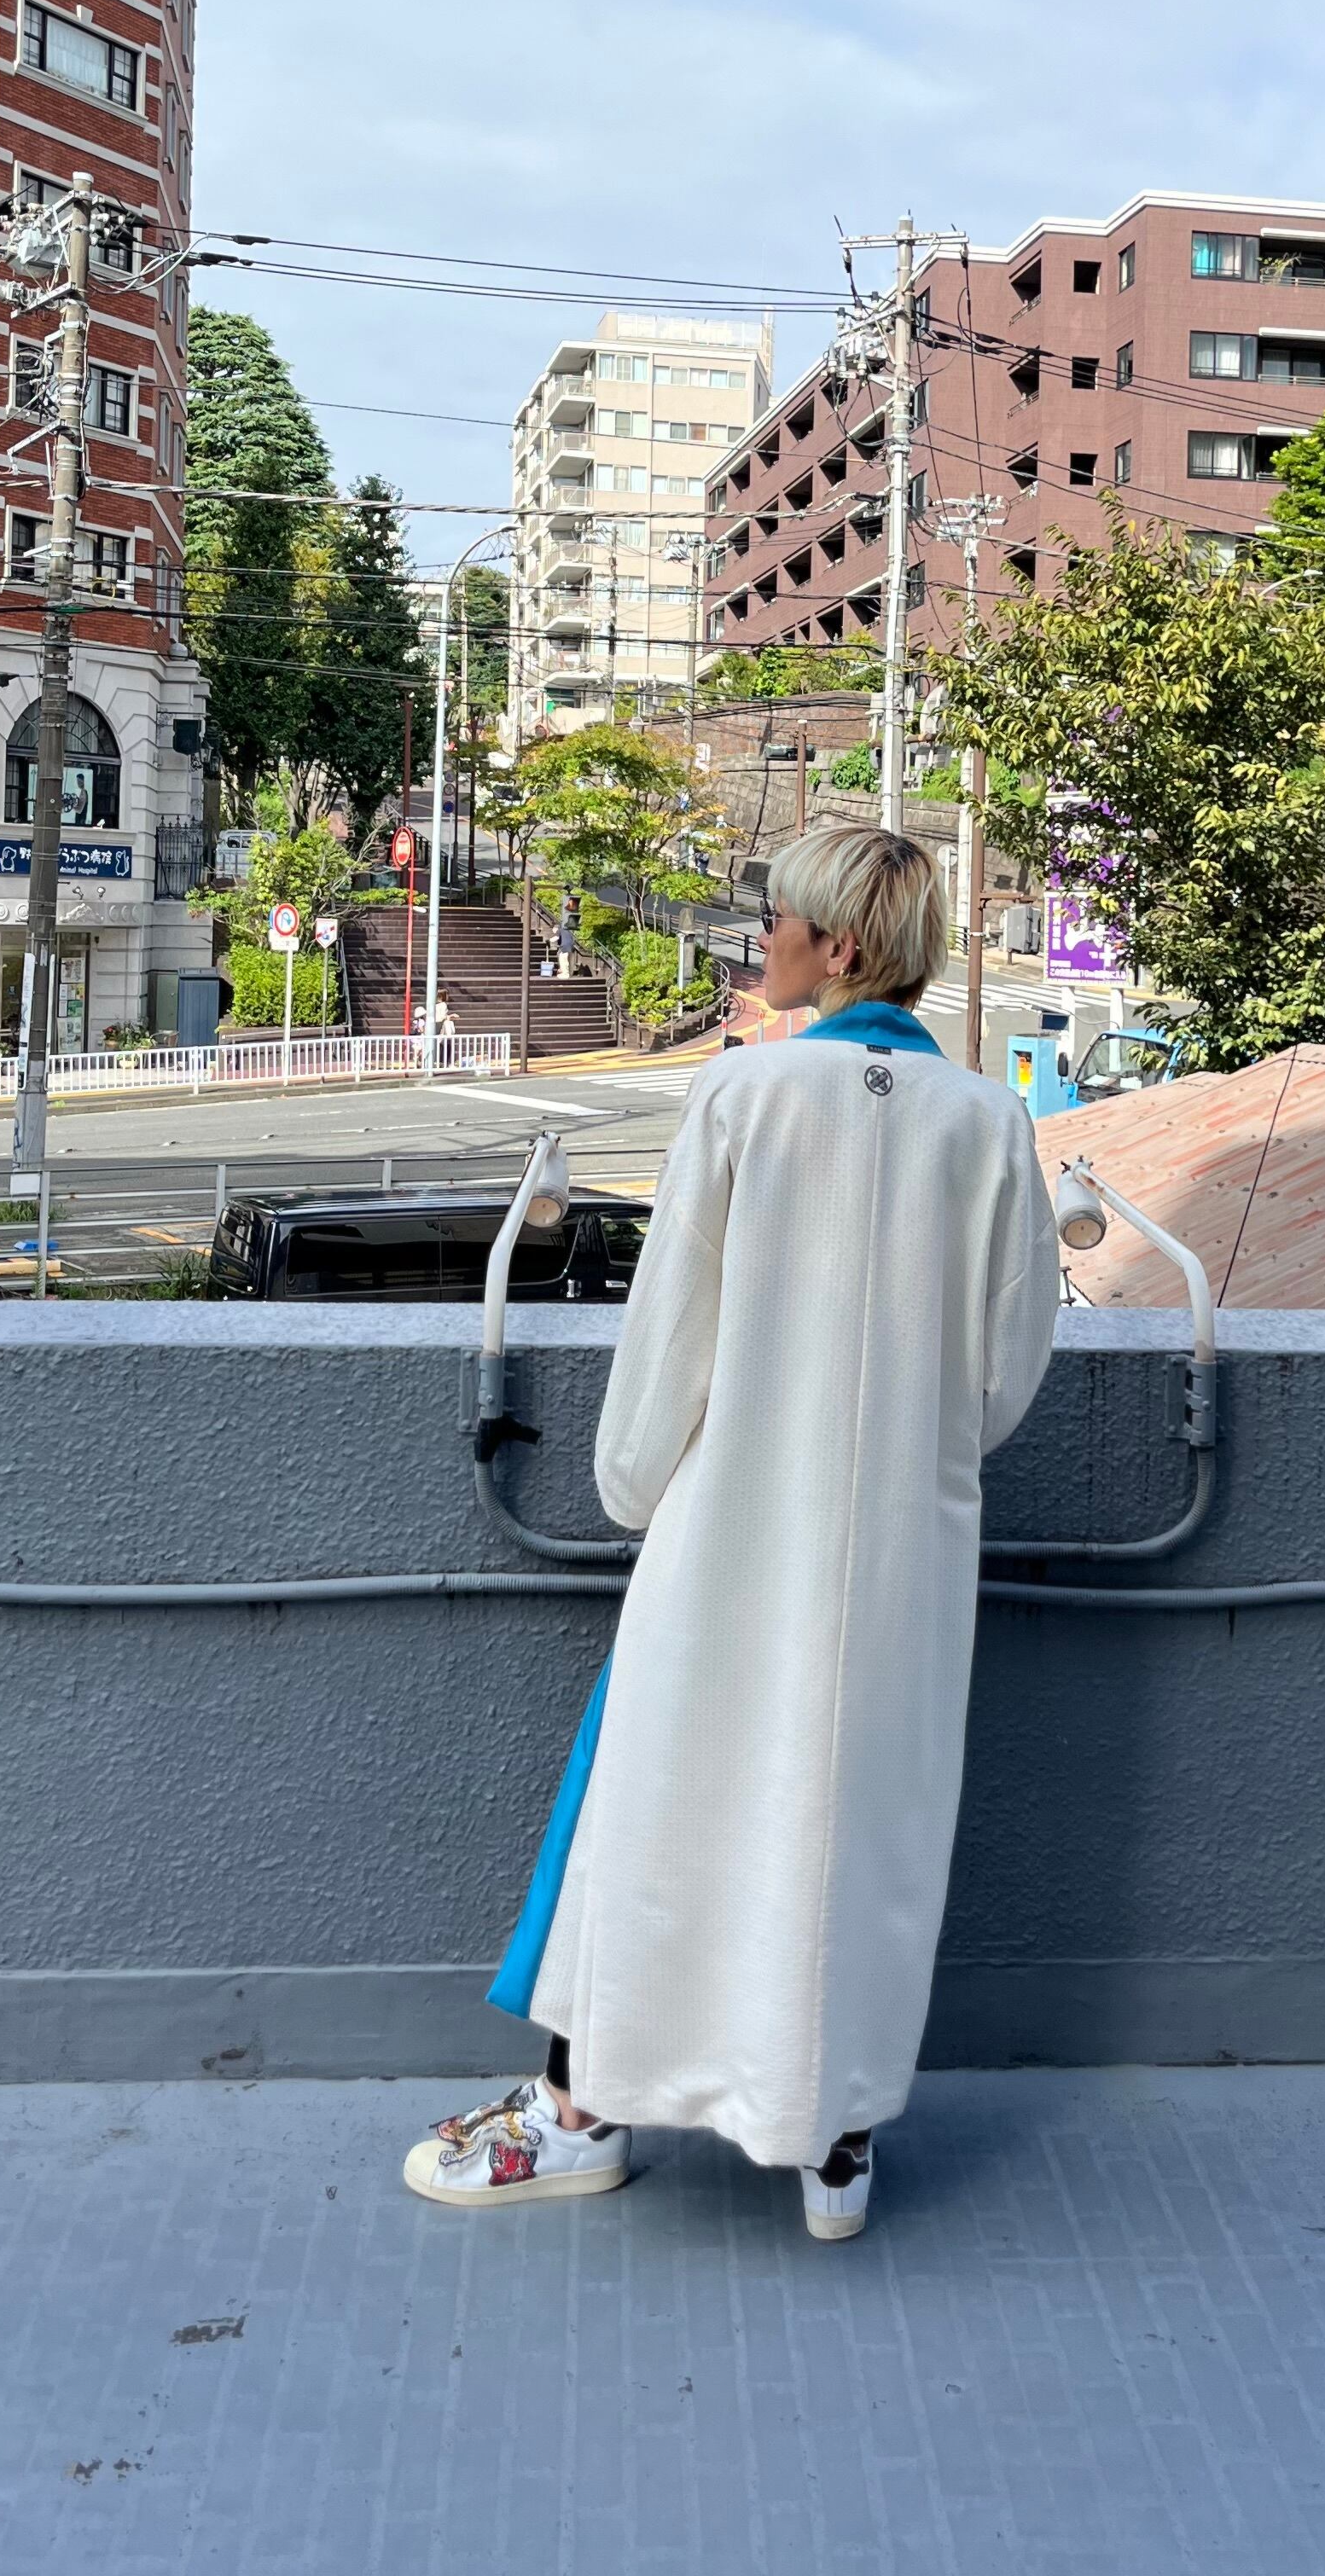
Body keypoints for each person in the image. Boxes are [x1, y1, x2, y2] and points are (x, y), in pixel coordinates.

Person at [405, 825, 1060, 2241]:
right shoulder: (988, 1126)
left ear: (840, 946)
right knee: (862, 1832)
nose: (761, 939)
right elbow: (1004, 1376)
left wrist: (635, 1488)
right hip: (904, 1552)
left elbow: (671, 1339)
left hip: (731, 1534)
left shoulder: (745, 1096)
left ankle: (582, 2113)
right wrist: (909, 1460)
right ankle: (836, 2141)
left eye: (781, 920)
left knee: (663, 1812)